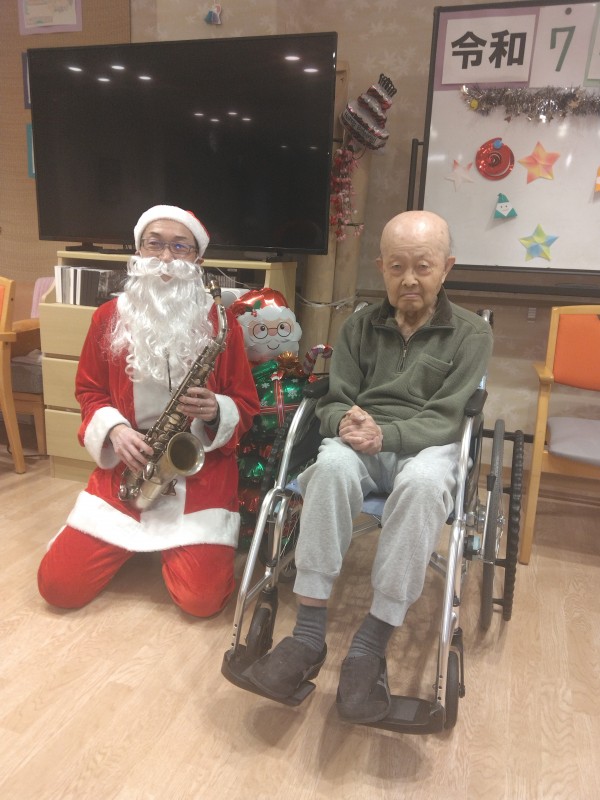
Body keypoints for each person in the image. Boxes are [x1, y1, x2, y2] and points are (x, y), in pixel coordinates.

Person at [247, 210, 493, 723]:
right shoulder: (359, 326)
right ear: (381, 267)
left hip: (428, 445)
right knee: (330, 467)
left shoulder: (471, 334)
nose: (410, 279)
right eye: (397, 266)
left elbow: (449, 417)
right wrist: (345, 419)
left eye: (423, 266)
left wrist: (389, 436)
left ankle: (369, 645)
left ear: (446, 267)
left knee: (422, 485)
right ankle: (308, 635)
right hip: (362, 441)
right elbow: (335, 398)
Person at [38, 205, 260, 617]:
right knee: (58, 587)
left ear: (198, 259)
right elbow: (89, 391)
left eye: (180, 246)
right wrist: (115, 430)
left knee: (201, 603)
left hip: (200, 475)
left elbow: (246, 402)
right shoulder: (108, 317)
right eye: (154, 244)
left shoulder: (222, 322)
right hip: (129, 468)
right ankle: (124, 542)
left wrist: (216, 410)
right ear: (138, 251)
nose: (166, 257)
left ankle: (167, 549)